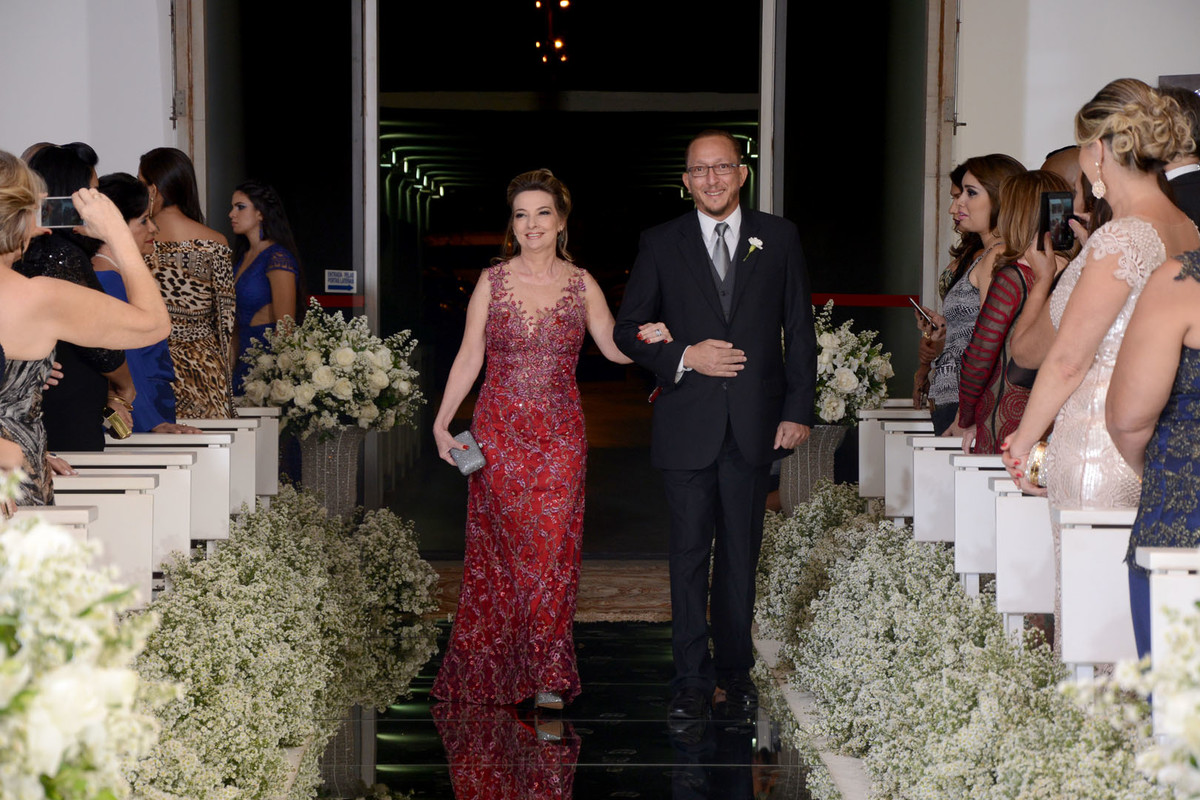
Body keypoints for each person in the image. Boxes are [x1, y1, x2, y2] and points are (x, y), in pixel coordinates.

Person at [430, 168, 669, 708]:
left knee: (551, 552)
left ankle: (546, 673)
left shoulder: (582, 283)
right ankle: (500, 665)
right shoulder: (492, 281)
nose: (531, 224)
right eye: (521, 214)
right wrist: (443, 422)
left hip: (561, 437)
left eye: (542, 213)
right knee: (505, 553)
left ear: (561, 222)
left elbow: (612, 346)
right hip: (499, 436)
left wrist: (650, 338)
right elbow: (470, 357)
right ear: (511, 225)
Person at [613, 129, 816, 725]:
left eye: (722, 168)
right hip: (686, 423)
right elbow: (629, 329)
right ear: (685, 181)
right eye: (699, 171)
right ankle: (690, 679)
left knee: (738, 557)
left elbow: (798, 329)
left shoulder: (778, 237)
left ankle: (735, 673)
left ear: (742, 173)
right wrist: (683, 355)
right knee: (686, 555)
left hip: (755, 423)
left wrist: (798, 408)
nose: (711, 180)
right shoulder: (660, 242)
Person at [1001, 78, 1199, 655]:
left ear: (1099, 151)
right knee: (1137, 629)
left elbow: (1068, 358)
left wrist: (1023, 441)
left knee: (1093, 635)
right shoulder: (1187, 229)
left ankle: (1102, 738)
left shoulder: (1123, 235)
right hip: (1154, 448)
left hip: (1097, 444)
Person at [0, 150, 171, 504]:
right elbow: (153, 324)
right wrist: (117, 235)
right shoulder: (39, 299)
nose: (45, 223)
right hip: (15, 484)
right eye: (37, 207)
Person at [1107, 248, 1200, 658]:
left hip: (1186, 509)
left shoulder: (1182, 279)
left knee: (1177, 707)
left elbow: (1129, 418)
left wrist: (1157, 470)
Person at [16, 143, 135, 452]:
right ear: (69, 197)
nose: (98, 204)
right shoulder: (61, 254)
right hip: (65, 404)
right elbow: (101, 341)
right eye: (92, 194)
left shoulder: (21, 250)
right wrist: (125, 383)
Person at [956, 170, 1077, 454]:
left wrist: (966, 417)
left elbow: (980, 355)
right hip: (1062, 416)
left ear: (1015, 214)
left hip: (1009, 419)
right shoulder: (1079, 272)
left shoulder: (1014, 277)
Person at [94, 173, 202, 434]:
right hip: (142, 415)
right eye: (144, 220)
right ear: (115, 226)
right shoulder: (109, 280)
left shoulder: (115, 276)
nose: (154, 228)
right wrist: (151, 423)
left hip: (150, 406)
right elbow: (125, 361)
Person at [929, 155, 1027, 435]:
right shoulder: (987, 255)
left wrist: (965, 415)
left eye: (971, 193)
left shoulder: (996, 256)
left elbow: (990, 344)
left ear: (1001, 197)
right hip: (958, 400)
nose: (957, 205)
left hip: (966, 404)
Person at [139, 147, 235, 419]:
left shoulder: (136, 244)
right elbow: (225, 324)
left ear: (154, 189)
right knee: (214, 457)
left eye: (141, 183)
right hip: (205, 371)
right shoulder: (216, 243)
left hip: (152, 366)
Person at [228, 180, 301, 393]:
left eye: (240, 207)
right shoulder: (242, 258)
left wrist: (278, 377)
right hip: (240, 362)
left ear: (261, 213)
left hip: (265, 367)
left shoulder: (278, 257)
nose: (232, 214)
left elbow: (286, 326)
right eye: (232, 207)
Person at [912, 164, 971, 409]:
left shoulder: (994, 257)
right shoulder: (970, 250)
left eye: (965, 196)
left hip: (965, 388)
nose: (954, 208)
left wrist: (940, 344)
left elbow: (985, 335)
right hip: (947, 380)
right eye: (956, 197)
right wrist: (932, 338)